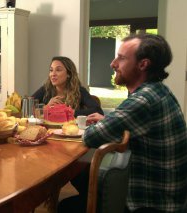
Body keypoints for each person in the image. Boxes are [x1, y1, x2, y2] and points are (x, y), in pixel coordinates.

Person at [61, 34, 187, 213]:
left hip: (152, 203)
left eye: (121, 58)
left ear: (143, 64)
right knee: (79, 173)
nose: (113, 64)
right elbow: (135, 124)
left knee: (67, 207)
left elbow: (91, 137)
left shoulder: (143, 100)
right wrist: (108, 121)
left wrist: (106, 124)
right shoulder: (159, 90)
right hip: (164, 190)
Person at [32, 56, 103, 117]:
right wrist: (46, 108)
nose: (53, 74)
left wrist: (72, 112)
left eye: (58, 70)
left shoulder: (80, 91)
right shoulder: (45, 89)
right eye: (51, 70)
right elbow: (26, 105)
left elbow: (98, 111)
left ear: (69, 74)